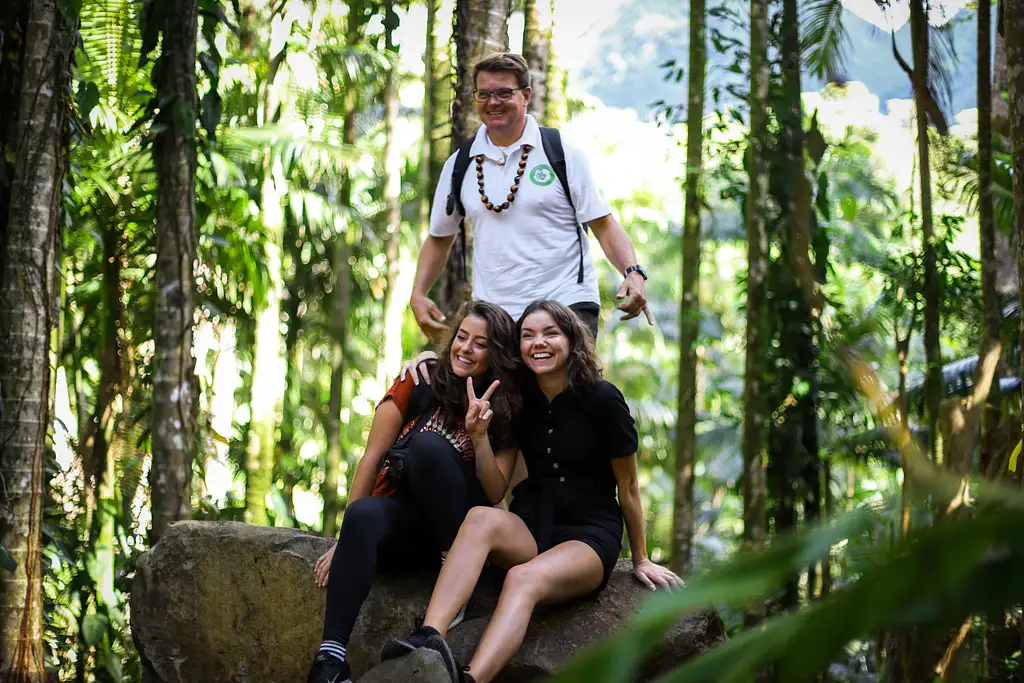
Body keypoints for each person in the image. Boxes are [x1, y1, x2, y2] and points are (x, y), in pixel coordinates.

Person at [381, 300, 682, 683]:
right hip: (533, 523)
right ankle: (430, 637)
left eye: (550, 333)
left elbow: (630, 486)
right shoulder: (520, 394)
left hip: (587, 536)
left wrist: (640, 558)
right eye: (528, 335)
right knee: (479, 519)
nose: (538, 342)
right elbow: (467, 361)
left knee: (522, 579)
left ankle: (472, 679)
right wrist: (426, 356)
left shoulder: (604, 400)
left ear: (573, 341)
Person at [305, 301, 522, 683]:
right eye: (461, 337)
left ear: (497, 354)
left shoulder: (506, 407)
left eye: (480, 343)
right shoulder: (419, 380)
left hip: (459, 536)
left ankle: (451, 579)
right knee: (361, 516)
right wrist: (345, 541)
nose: (465, 348)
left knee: (429, 448)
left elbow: (494, 491)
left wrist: (479, 436)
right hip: (406, 525)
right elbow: (372, 456)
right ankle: (330, 660)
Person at [411, 52, 652, 343]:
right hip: (496, 317)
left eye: (503, 93)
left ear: (526, 95)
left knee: (570, 390)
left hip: (566, 305)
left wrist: (633, 272)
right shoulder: (460, 164)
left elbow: (603, 224)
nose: (493, 102)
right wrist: (419, 293)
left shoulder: (560, 152)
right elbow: (439, 237)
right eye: (484, 94)